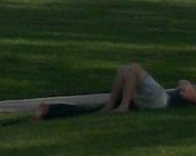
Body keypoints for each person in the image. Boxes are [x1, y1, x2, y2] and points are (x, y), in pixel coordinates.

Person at [37, 63, 196, 119]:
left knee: (134, 68)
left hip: (163, 101)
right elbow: (182, 82)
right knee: (124, 69)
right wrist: (185, 84)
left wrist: (185, 87)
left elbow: (186, 94)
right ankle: (112, 105)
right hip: (156, 100)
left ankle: (123, 106)